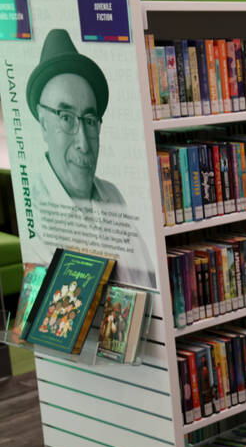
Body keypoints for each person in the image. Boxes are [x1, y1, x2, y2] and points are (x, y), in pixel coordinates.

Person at [26, 28, 155, 287]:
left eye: (90, 120)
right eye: (66, 118)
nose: (84, 144)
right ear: (43, 123)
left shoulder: (112, 195)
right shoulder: (36, 211)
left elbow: (148, 284)